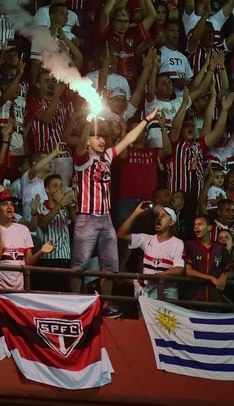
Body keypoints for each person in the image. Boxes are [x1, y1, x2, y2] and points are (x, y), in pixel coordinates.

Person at [69, 107, 159, 318]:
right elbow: (81, 144)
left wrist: (146, 120)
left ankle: (105, 304)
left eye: (103, 137)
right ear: (89, 140)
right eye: (97, 137)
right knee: (79, 266)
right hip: (86, 217)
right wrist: (87, 122)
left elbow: (127, 139)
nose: (101, 140)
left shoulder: (107, 157)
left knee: (110, 267)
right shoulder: (82, 159)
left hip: (106, 218)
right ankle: (73, 303)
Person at [0, 190, 55, 290]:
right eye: (5, 204)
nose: (10, 207)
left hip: (19, 290)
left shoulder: (23, 229)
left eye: (12, 204)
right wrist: (0, 230)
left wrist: (40, 252)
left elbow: (28, 263)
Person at [116, 201, 185, 303]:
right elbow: (121, 235)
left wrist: (155, 277)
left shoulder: (177, 243)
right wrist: (135, 213)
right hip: (147, 291)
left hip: (168, 293)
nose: (159, 217)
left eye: (164, 215)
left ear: (171, 222)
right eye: (158, 215)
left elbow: (179, 270)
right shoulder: (146, 239)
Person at [34, 173, 76, 292]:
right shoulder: (40, 206)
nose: (58, 189)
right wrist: (60, 204)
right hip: (47, 259)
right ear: (46, 189)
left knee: (64, 295)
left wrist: (66, 205)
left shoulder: (67, 207)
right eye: (55, 186)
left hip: (64, 258)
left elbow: (74, 219)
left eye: (61, 186)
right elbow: (42, 224)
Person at [182, 214, 233, 306]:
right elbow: (188, 271)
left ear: (209, 227)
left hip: (215, 300)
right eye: (195, 225)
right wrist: (211, 278)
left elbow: (230, 271)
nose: (196, 227)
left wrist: (224, 276)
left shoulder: (219, 247)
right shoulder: (190, 245)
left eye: (200, 224)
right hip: (194, 299)